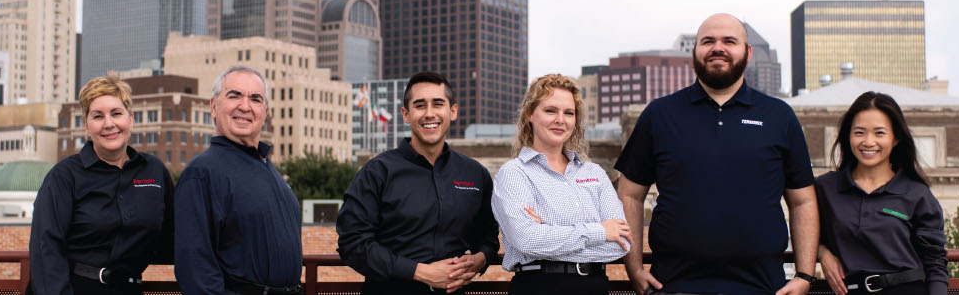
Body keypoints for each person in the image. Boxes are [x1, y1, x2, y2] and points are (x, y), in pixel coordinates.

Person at [614, 13, 819, 295]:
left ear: (747, 53)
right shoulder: (659, 115)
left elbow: (803, 202)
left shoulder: (779, 116)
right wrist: (634, 269)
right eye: (707, 41)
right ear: (695, 52)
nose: (717, 47)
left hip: (762, 287)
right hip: (674, 286)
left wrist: (805, 275)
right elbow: (629, 195)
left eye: (729, 41)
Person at [336, 71, 500, 295]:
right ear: (406, 114)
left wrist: (480, 259)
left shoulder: (475, 174)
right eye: (420, 105)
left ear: (452, 111)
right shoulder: (377, 172)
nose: (429, 114)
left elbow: (489, 237)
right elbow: (352, 243)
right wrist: (420, 272)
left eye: (438, 104)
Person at [30, 75, 175, 295]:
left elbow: (173, 237)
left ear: (130, 120)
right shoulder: (64, 176)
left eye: (116, 113)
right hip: (73, 288)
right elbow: (46, 249)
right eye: (98, 116)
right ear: (87, 127)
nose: (109, 123)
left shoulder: (154, 171)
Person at [491, 74, 629, 295]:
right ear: (529, 114)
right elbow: (526, 240)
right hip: (539, 288)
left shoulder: (594, 173)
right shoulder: (514, 174)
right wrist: (600, 231)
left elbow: (619, 242)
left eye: (569, 113)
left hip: (595, 287)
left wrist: (547, 232)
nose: (560, 119)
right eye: (550, 110)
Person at [174, 65, 302, 295]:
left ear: (265, 111)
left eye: (255, 99)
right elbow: (196, 269)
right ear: (213, 106)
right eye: (234, 96)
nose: (245, 106)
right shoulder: (202, 173)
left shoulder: (267, 168)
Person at [815, 92, 948, 295]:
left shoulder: (916, 193)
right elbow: (803, 232)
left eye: (879, 133)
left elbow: (935, 261)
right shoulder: (826, 188)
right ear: (847, 136)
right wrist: (822, 253)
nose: (868, 142)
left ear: (896, 139)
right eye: (859, 132)